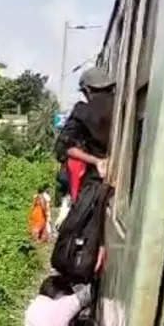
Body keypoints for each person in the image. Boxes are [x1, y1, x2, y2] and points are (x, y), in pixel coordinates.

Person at [53, 67, 115, 230]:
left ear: (87, 90)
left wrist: (97, 161)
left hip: (95, 185)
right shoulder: (121, 105)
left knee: (69, 238)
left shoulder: (83, 111)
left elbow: (63, 147)